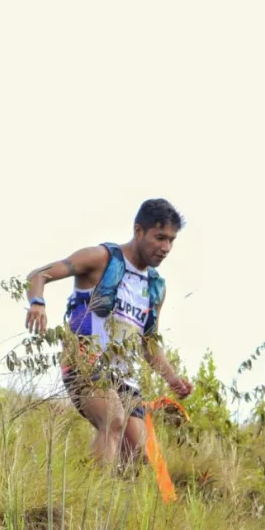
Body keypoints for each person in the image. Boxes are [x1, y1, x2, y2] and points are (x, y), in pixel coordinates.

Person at [24, 199, 193, 467]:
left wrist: (173, 379)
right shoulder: (101, 258)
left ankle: (95, 490)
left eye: (171, 240)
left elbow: (149, 344)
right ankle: (92, 501)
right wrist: (37, 304)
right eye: (160, 238)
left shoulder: (155, 287)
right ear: (139, 231)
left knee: (138, 457)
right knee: (113, 418)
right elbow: (39, 275)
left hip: (125, 377)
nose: (166, 248)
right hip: (85, 361)